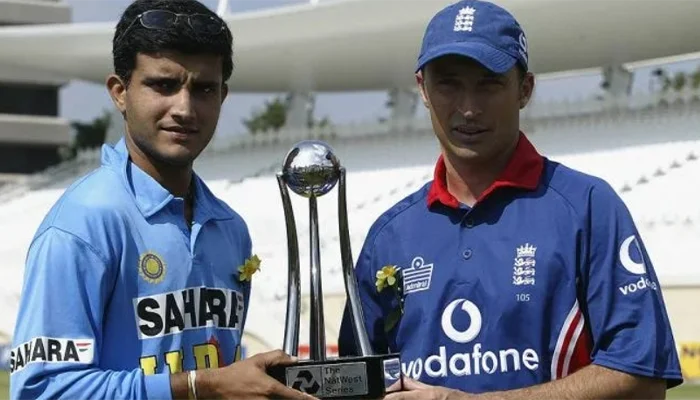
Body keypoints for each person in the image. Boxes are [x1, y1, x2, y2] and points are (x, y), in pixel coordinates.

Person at [338, 1, 683, 399]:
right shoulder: (389, 236)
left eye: (489, 83)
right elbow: (354, 385)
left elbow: (642, 379)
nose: (468, 108)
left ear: (525, 89)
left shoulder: (588, 207)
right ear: (423, 89)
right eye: (448, 83)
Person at [9, 1, 312, 399]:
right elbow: (42, 389)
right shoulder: (82, 224)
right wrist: (200, 386)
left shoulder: (230, 229)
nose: (184, 109)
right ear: (120, 92)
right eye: (163, 85)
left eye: (203, 89)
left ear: (222, 96)